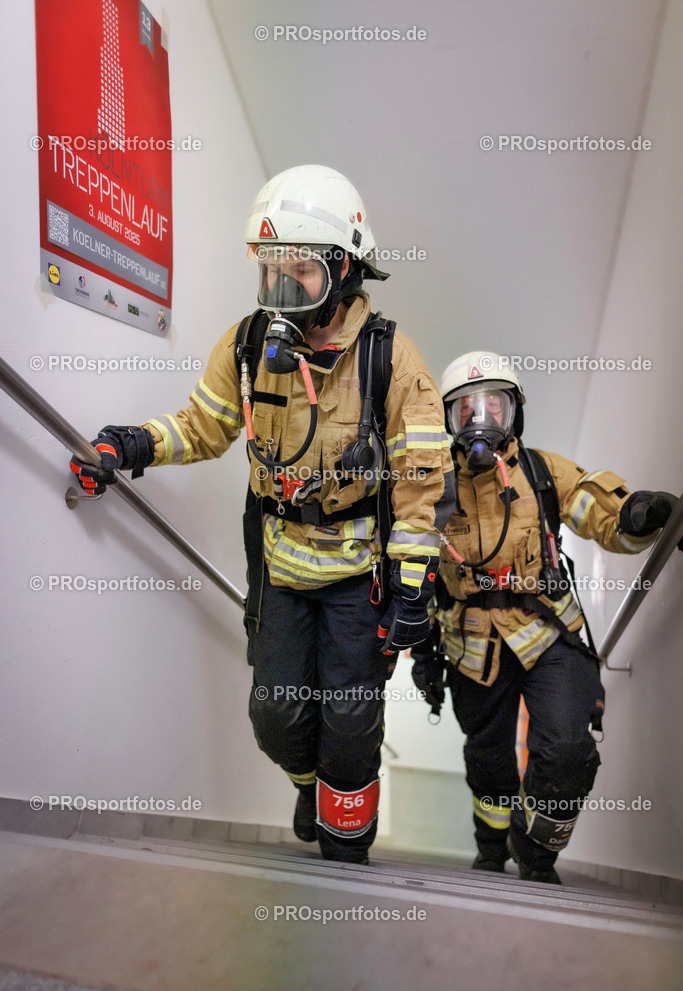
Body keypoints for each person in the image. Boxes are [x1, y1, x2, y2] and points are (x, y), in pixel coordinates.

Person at [70, 165, 455, 865]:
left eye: (299, 270)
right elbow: (204, 425)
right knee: (276, 717)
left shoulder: (390, 360)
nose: (281, 287)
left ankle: (346, 848)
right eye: (271, 268)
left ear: (343, 268)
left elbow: (422, 480)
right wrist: (134, 445)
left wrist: (412, 586)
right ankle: (308, 787)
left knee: (349, 723)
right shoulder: (248, 346)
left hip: (355, 576)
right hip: (280, 567)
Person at [411, 351, 680, 883]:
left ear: (516, 413)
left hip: (548, 633)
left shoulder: (542, 473)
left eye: (494, 405)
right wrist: (421, 653)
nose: (480, 420)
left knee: (568, 751)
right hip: (471, 647)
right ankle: (491, 848)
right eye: (465, 409)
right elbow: (412, 572)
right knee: (488, 760)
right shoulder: (432, 487)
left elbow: (605, 516)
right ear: (448, 420)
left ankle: (535, 857)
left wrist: (639, 513)